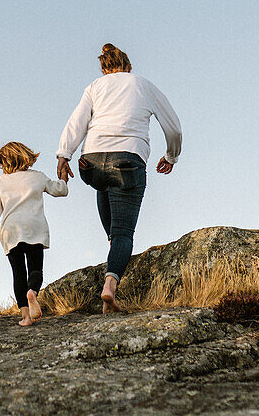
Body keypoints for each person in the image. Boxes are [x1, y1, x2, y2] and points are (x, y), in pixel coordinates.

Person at [56, 44, 182, 313]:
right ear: (129, 67)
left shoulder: (95, 87)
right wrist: (171, 156)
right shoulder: (142, 85)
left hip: (90, 163)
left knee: (113, 224)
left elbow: (76, 121)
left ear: (104, 69)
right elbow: (173, 126)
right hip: (127, 160)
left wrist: (64, 154)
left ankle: (115, 251)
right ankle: (110, 287)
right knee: (124, 232)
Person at [0, 141, 68, 326]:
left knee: (18, 273)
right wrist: (63, 178)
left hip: (11, 230)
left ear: (3, 161)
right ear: (27, 157)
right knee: (35, 268)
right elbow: (60, 191)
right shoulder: (37, 177)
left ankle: (25, 317)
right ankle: (33, 292)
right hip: (34, 228)